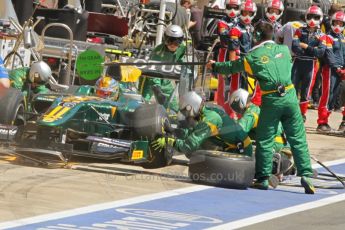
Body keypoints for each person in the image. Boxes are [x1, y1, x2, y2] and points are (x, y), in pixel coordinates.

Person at [207, 21, 315, 194]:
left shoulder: (252, 57)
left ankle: (263, 178)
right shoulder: (285, 50)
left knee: (266, 138)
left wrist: (214, 66)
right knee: (297, 137)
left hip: (271, 98)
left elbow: (231, 68)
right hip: (290, 96)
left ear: (256, 36)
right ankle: (307, 176)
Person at [152, 91, 253, 157]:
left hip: (240, 152)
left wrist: (170, 141)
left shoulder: (209, 119)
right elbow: (194, 131)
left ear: (191, 107)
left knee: (194, 152)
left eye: (185, 112)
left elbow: (189, 145)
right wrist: (173, 131)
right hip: (231, 146)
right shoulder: (209, 111)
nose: (186, 115)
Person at [291, 5, 327, 122]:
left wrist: (305, 46)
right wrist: (311, 49)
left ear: (320, 18)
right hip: (297, 62)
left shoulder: (322, 35)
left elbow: (320, 52)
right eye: (310, 16)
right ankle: (291, 111)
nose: (312, 20)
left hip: (311, 65)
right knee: (292, 88)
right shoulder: (299, 30)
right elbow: (295, 47)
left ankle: (302, 113)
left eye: (315, 17)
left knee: (306, 91)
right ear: (306, 16)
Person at [139, 25, 186, 112]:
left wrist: (181, 72)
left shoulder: (182, 48)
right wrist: (157, 90)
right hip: (150, 77)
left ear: (180, 41)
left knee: (172, 105)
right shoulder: (158, 52)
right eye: (169, 41)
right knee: (142, 101)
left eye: (176, 43)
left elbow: (181, 60)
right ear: (165, 40)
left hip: (165, 77)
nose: (172, 45)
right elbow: (153, 72)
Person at [318, 11, 345, 132]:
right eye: (336, 23)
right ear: (332, 22)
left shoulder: (343, 38)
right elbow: (328, 54)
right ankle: (322, 122)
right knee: (327, 96)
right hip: (330, 70)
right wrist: (337, 68)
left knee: (334, 97)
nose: (338, 26)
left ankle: (326, 121)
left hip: (340, 71)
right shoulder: (327, 37)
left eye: (341, 23)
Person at [214, 0, 242, 117]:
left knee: (239, 82)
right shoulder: (221, 21)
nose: (232, 10)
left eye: (235, 7)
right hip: (225, 52)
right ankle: (225, 112)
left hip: (239, 53)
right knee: (224, 82)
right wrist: (236, 33)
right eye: (230, 7)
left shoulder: (242, 21)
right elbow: (225, 36)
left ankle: (239, 111)